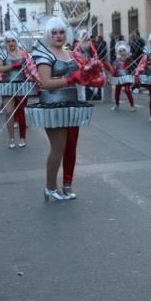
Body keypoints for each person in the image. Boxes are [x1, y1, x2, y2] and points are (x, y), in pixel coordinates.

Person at [24, 17, 100, 201]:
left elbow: (80, 76)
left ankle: (67, 185)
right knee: (58, 147)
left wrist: (90, 72)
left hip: (72, 105)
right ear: (48, 35)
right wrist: (69, 79)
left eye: (62, 32)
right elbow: (45, 83)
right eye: (54, 32)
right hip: (53, 106)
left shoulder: (70, 54)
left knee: (71, 147)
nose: (58, 36)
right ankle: (50, 187)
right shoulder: (44, 55)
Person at [0, 31, 37, 149]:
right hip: (7, 85)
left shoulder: (24, 54)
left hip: (22, 84)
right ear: (5, 42)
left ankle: (22, 137)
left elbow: (31, 68)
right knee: (9, 112)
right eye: (8, 41)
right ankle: (11, 138)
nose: (11, 43)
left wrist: (31, 73)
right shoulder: (3, 53)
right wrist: (12, 66)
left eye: (13, 40)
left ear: (16, 41)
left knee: (21, 111)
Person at [110, 42, 136, 111]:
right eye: (120, 51)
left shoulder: (129, 59)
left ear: (126, 51)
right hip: (119, 78)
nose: (122, 52)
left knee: (128, 90)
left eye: (123, 50)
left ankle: (132, 106)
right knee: (117, 92)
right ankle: (117, 104)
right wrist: (112, 75)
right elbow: (114, 69)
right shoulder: (117, 60)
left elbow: (133, 67)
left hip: (126, 78)